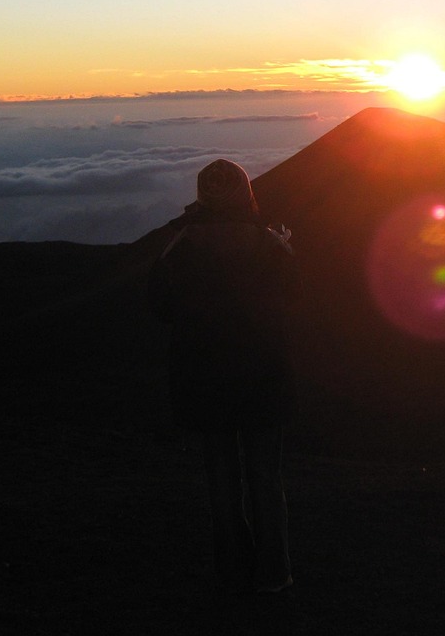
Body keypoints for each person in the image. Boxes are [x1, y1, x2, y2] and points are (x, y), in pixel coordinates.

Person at [148, 159, 298, 596]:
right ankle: (274, 573)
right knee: (265, 477)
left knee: (221, 477)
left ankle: (232, 571)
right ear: (245, 193)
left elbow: (160, 307)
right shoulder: (270, 243)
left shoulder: (180, 245)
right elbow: (293, 298)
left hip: (205, 378)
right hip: (263, 377)